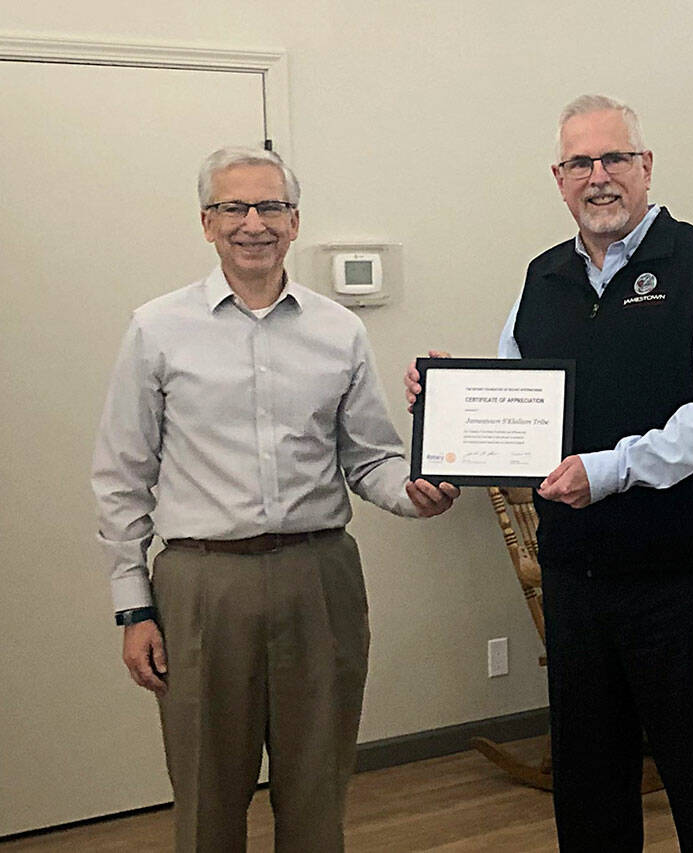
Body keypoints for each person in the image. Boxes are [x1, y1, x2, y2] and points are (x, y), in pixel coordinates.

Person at [406, 94, 693, 851]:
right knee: (590, 792)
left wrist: (611, 469)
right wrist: (446, 399)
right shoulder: (542, 278)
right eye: (580, 163)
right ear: (558, 177)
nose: (599, 177)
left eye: (614, 159)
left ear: (646, 166)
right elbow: (512, 397)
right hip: (577, 582)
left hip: (681, 582)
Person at [91, 146, 458, 852]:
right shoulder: (157, 328)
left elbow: (371, 457)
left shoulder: (338, 329)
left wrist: (418, 494)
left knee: (318, 793)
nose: (253, 223)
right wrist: (134, 606)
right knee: (207, 799)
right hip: (201, 583)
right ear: (206, 222)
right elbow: (121, 475)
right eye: (234, 207)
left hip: (318, 577)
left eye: (271, 207)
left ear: (295, 222)